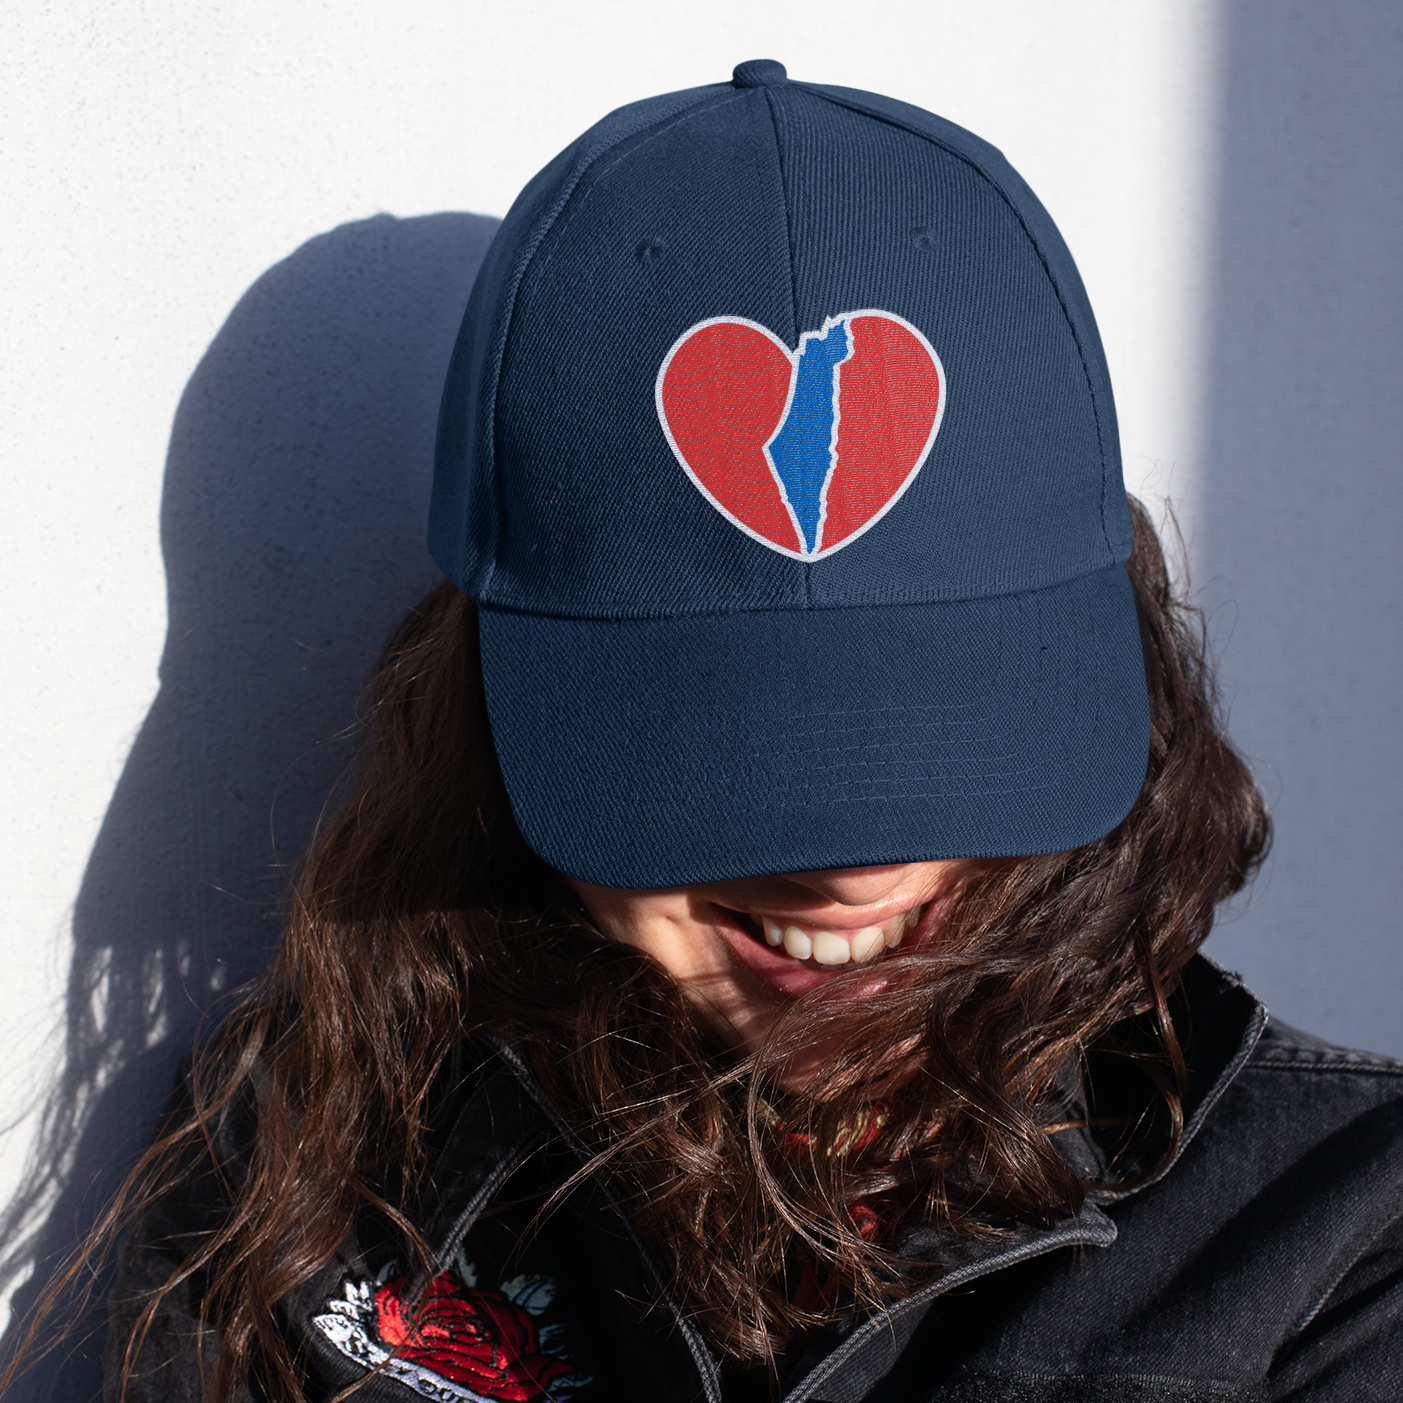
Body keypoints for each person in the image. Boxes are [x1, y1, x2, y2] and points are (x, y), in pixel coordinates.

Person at [14, 58, 1402, 1403]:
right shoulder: (319, 1161)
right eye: (722, 765)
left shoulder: (1337, 1230)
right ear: (491, 713)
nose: (852, 876)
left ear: (1123, 668)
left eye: (946, 738)